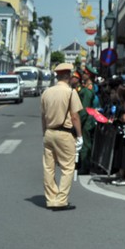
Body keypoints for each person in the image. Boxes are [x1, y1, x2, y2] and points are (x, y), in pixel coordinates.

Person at [40, 63, 83, 211]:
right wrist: (79, 135)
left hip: (49, 132)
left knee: (48, 168)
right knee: (67, 167)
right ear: (68, 77)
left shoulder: (46, 92)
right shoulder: (71, 93)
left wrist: (44, 132)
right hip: (64, 133)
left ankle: (51, 198)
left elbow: (43, 116)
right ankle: (61, 200)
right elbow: (75, 116)